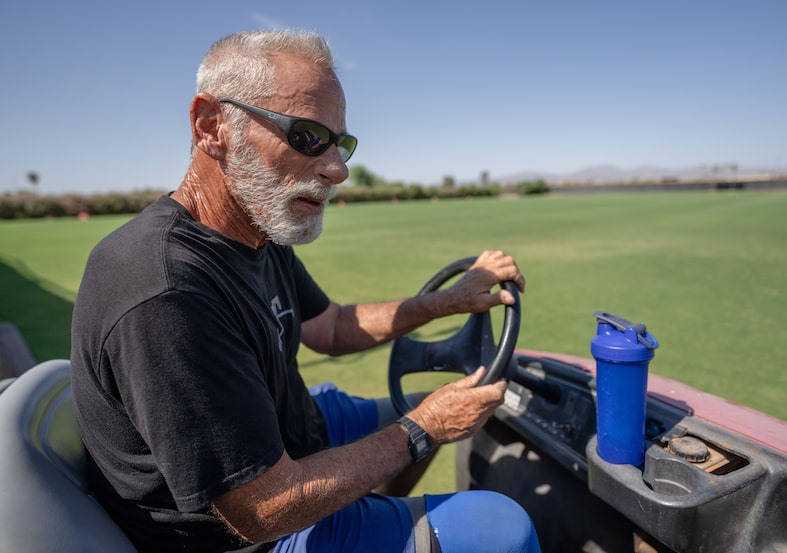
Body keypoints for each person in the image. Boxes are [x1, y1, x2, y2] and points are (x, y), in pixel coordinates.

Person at [70, 30, 539, 553]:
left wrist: (441, 304)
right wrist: (421, 429)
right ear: (211, 127)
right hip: (246, 535)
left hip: (291, 429)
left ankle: (377, 512)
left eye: (341, 143)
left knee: (426, 409)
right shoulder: (163, 290)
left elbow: (333, 327)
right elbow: (260, 509)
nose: (338, 168)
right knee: (501, 527)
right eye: (308, 136)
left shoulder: (255, 233)